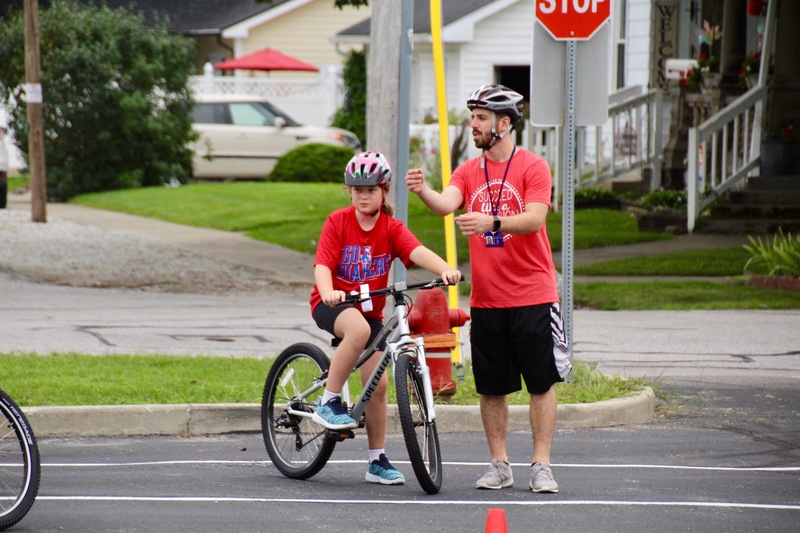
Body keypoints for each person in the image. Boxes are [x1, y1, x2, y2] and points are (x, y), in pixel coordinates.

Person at [405, 84, 572, 493]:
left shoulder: (533, 166)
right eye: (473, 117)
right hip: (488, 299)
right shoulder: (468, 170)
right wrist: (423, 189)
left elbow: (534, 219)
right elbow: (447, 204)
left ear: (503, 123)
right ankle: (499, 464)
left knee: (540, 383)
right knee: (492, 387)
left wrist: (492, 223)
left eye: (480, 118)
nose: (473, 125)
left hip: (534, 295)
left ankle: (541, 465)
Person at [310, 150, 462, 486]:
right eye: (357, 190)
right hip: (333, 304)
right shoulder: (338, 222)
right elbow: (322, 265)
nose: (363, 196)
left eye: (371, 190)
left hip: (370, 310)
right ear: (349, 192)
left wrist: (445, 270)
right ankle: (329, 400)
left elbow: (416, 251)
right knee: (358, 329)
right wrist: (328, 291)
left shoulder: (391, 228)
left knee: (377, 386)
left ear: (384, 191)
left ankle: (376, 460)